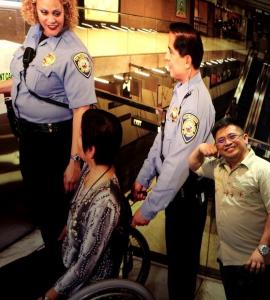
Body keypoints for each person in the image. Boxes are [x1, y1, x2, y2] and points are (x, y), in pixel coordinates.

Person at [0, 0, 97, 251]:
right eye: (44, 12)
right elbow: (25, 78)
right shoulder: (34, 34)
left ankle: (65, 276)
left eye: (57, 13)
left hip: (56, 143)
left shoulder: (74, 53)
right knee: (40, 207)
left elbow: (81, 110)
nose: (51, 19)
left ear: (67, 11)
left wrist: (74, 161)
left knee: (58, 215)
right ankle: (53, 257)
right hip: (30, 139)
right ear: (34, 10)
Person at [131, 22, 215, 300]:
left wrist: (149, 208)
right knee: (176, 261)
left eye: (170, 52)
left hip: (188, 197)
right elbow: (162, 140)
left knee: (182, 268)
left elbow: (178, 164)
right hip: (176, 195)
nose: (165, 58)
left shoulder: (196, 104)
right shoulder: (181, 90)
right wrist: (144, 177)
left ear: (187, 59)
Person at [188, 117, 270, 300]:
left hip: (256, 261)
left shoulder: (265, 171)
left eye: (232, 136)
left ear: (245, 138)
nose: (227, 143)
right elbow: (194, 164)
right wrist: (200, 148)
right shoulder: (219, 168)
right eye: (221, 140)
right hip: (227, 258)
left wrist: (262, 250)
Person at [39, 108, 128, 300]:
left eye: (80, 136)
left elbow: (84, 266)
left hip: (87, 284)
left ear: (91, 150)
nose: (76, 141)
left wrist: (52, 294)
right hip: (69, 256)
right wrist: (69, 224)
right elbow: (79, 206)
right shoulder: (90, 167)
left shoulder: (106, 203)